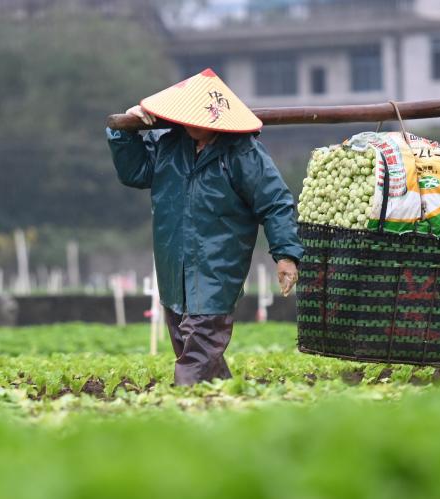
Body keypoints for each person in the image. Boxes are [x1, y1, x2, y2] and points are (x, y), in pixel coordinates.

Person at [107, 69, 303, 385]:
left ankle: (184, 404)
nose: (193, 126)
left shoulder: (243, 152)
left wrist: (286, 254)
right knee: (190, 346)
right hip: (174, 266)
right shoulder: (167, 145)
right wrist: (125, 132)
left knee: (198, 348)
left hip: (217, 267)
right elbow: (135, 173)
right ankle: (220, 394)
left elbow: (275, 202)